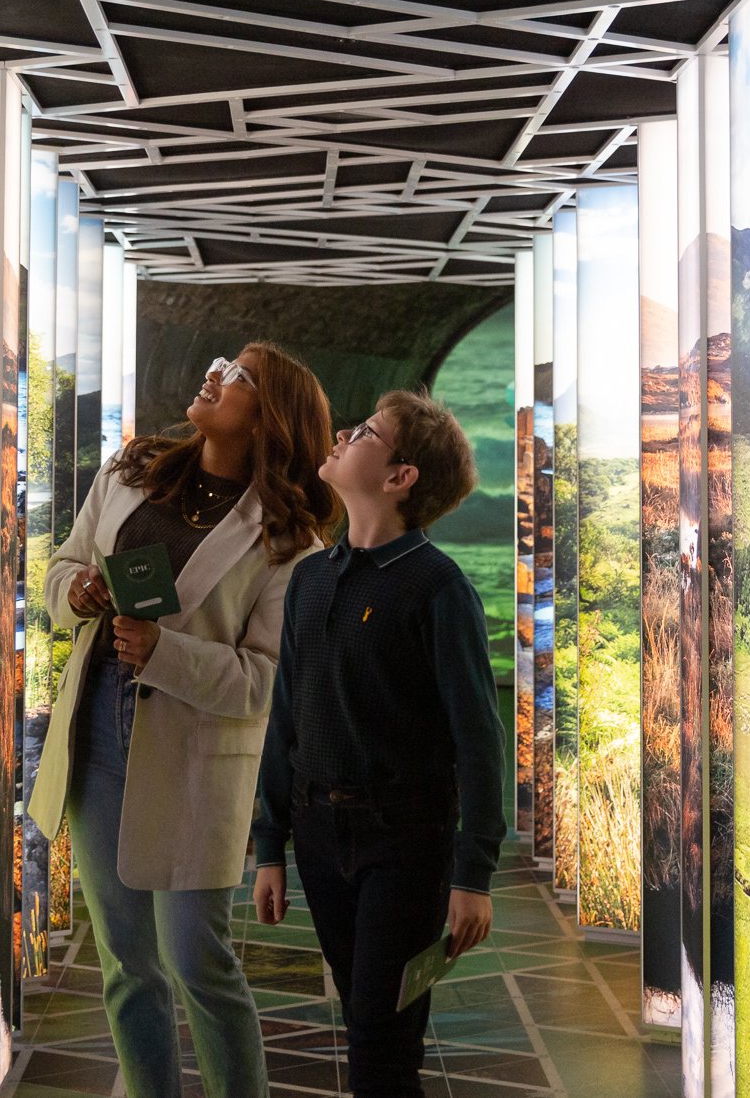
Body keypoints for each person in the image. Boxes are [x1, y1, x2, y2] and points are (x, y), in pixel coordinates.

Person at [29, 343, 340, 1098]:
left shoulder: (290, 543)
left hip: (195, 754)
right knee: (126, 962)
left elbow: (265, 682)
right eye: (219, 361)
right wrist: (76, 596)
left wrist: (165, 653)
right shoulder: (130, 470)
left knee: (197, 957)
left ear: (272, 420)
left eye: (238, 376)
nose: (214, 374)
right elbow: (61, 566)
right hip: (98, 730)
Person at [251, 389, 506, 1098]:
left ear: (400, 478)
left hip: (407, 842)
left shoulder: (437, 587)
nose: (340, 433)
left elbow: (478, 738)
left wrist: (472, 874)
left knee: (381, 1036)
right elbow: (286, 719)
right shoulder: (309, 579)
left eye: (364, 431)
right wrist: (270, 845)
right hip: (319, 835)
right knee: (364, 1018)